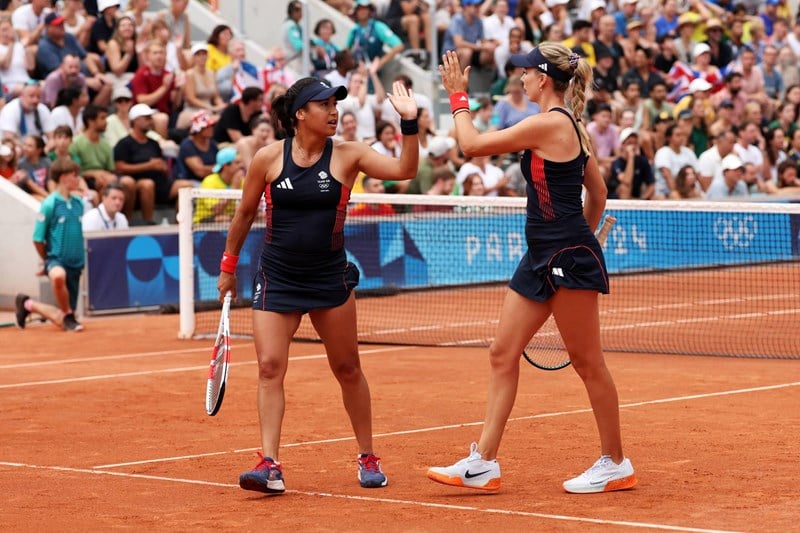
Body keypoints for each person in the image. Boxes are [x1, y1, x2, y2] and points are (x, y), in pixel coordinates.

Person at [427, 45, 636, 494]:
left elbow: (472, 145)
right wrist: (590, 231)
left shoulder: (551, 124)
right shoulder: (573, 128)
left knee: (587, 362)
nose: (519, 77)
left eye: (525, 71)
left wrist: (458, 97)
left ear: (544, 79)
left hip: (566, 257)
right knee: (502, 353)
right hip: (541, 255)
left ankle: (616, 461)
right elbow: (596, 194)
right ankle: (483, 462)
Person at [215, 77, 419, 494]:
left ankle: (367, 455)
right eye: (323, 104)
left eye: (335, 104)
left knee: (347, 368)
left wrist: (410, 124)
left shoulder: (349, 155)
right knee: (270, 367)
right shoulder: (268, 159)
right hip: (278, 275)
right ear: (299, 115)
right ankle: (269, 464)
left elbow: (405, 170)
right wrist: (228, 266)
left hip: (329, 275)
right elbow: (244, 214)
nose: (333, 111)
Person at [15, 158, 86, 332]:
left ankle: (27, 304)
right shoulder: (49, 204)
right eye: (74, 176)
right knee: (58, 276)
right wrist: (47, 260)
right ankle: (68, 315)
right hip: (56, 259)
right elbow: (38, 238)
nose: (79, 179)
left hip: (76, 261)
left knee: (62, 318)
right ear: (63, 178)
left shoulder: (79, 204)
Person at [193, 146, 245, 224]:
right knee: (224, 219)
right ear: (225, 166)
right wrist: (233, 188)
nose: (242, 166)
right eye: (237, 163)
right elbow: (216, 210)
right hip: (204, 223)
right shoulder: (209, 182)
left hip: (230, 219)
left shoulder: (242, 181)